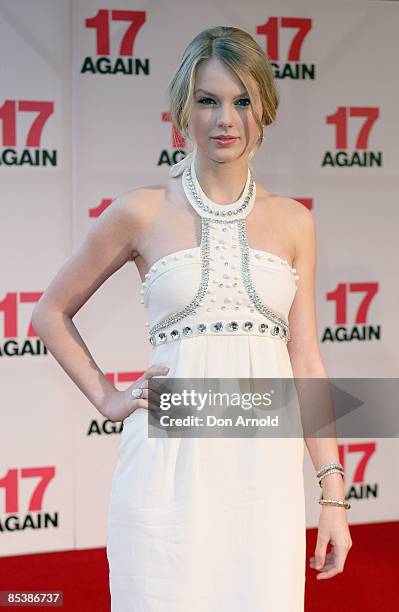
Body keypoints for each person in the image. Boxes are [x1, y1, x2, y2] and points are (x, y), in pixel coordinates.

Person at [32, 26, 352, 612]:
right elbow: (50, 312)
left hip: (265, 478)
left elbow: (305, 361)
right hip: (167, 471)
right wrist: (107, 398)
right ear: (184, 109)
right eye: (207, 99)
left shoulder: (294, 222)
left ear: (265, 109)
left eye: (242, 100)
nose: (225, 118)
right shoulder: (140, 210)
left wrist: (333, 493)